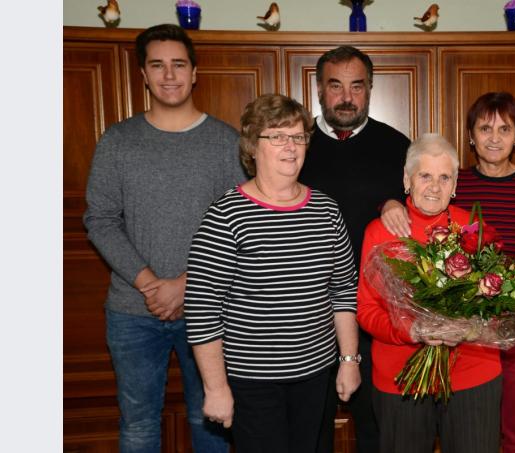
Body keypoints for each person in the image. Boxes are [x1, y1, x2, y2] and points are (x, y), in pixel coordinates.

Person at [83, 24, 243, 452]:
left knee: (210, 419)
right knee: (137, 425)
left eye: (178, 65)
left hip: (209, 310)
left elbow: (240, 229)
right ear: (144, 74)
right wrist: (151, 284)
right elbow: (99, 219)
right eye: (158, 65)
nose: (169, 75)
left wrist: (185, 286)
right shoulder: (118, 140)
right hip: (133, 311)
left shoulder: (226, 143)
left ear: (195, 73)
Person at [382, 92, 515, 453]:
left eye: (504, 128)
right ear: (471, 135)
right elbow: (419, 211)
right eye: (485, 128)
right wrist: (388, 202)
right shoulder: (454, 183)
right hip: (467, 336)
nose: (494, 137)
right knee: (472, 436)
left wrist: (507, 278)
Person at [184, 93, 361, 453]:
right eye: (277, 136)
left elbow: (343, 290)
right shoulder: (225, 216)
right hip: (252, 384)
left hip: (315, 377)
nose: (290, 146)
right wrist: (216, 389)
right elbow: (202, 312)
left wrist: (348, 361)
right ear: (252, 146)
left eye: (298, 137)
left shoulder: (326, 210)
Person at [358, 134, 502, 453]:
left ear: (454, 186)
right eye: (425, 175)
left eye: (444, 177)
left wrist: (470, 324)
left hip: (473, 373)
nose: (434, 187)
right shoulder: (379, 233)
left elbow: (496, 298)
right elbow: (366, 312)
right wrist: (412, 329)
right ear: (407, 180)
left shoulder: (473, 229)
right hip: (401, 378)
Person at [298, 45, 411, 453]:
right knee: (310, 428)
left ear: (370, 90)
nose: (346, 97)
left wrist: (392, 201)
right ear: (319, 90)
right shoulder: (295, 145)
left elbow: (421, 220)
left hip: (371, 309)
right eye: (335, 86)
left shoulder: (398, 146)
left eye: (357, 86)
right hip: (304, 311)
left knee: (375, 426)